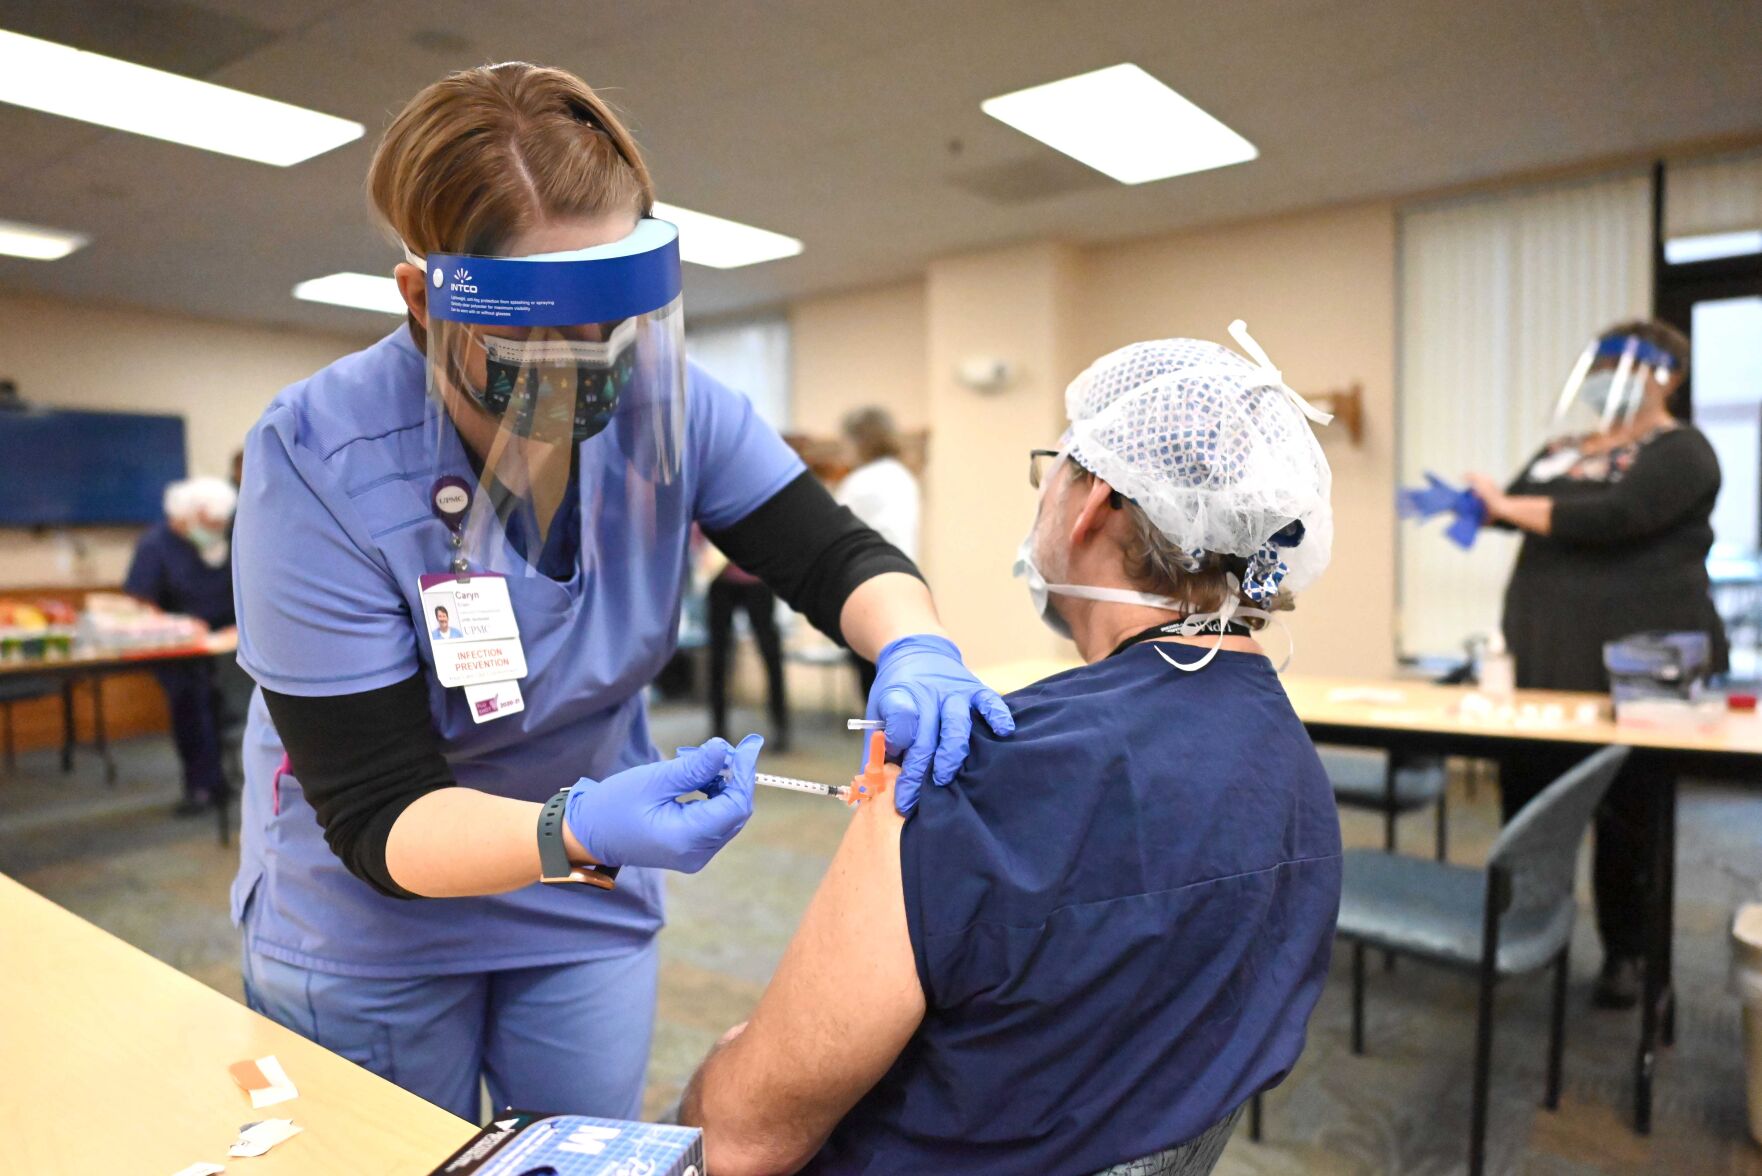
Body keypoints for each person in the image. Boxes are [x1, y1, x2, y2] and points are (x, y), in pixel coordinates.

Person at [228, 63, 1012, 1124]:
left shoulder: (669, 402)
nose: (586, 365)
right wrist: (578, 825)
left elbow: (834, 560)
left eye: (611, 321)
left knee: (586, 1148)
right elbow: (377, 814)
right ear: (425, 300)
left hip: (583, 899)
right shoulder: (320, 459)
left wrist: (915, 646)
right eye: (537, 334)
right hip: (377, 917)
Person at [681, 325, 1344, 1175]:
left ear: (1095, 500)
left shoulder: (979, 765)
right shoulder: (1292, 765)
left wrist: (723, 1063)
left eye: (1053, 469)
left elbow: (738, 1139)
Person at [1466, 319, 1725, 1010]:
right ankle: (1529, 930)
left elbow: (1617, 516)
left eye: (1624, 363)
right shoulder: (1563, 450)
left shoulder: (1684, 451)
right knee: (1530, 799)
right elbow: (1507, 512)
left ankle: (1629, 955)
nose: (1608, 376)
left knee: (1629, 810)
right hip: (1546, 646)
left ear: (1665, 373)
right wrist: (1480, 503)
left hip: (1643, 658)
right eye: (1602, 362)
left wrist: (1510, 505)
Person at [124, 476, 237, 816]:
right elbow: (141, 604)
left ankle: (223, 781)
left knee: (227, 710)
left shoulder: (227, 542)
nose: (215, 530)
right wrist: (180, 626)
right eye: (209, 524)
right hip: (180, 650)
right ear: (187, 518)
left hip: (228, 647)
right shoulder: (155, 545)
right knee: (193, 709)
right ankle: (202, 786)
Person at [835, 408, 920, 697]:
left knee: (872, 684)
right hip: (904, 587)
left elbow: (835, 535)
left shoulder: (861, 482)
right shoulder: (903, 476)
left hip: (867, 589)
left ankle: (878, 741)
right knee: (892, 681)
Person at [704, 548, 790, 752]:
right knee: (718, 658)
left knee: (771, 654)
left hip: (757, 580)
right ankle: (718, 729)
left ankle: (781, 727)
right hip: (719, 579)